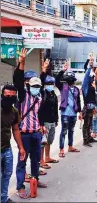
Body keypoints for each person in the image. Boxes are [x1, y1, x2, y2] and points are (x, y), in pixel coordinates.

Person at [13, 49, 48, 199]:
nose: (35, 88)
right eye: (32, 84)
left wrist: (42, 125)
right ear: (27, 84)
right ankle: (20, 186)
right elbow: (17, 79)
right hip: (24, 134)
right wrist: (22, 62)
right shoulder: (22, 95)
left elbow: (39, 114)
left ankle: (35, 179)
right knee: (22, 160)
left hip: (36, 134)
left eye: (37, 86)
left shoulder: (39, 97)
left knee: (35, 159)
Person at [1, 84, 26, 203]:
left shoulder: (14, 111)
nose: (9, 98)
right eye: (7, 96)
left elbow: (15, 129)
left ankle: (3, 198)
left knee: (7, 175)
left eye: (12, 96)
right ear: (2, 95)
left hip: (6, 149)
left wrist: (21, 147)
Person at [55, 62, 81, 157]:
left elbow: (78, 101)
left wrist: (80, 112)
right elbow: (57, 80)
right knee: (64, 131)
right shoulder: (63, 87)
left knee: (71, 130)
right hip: (65, 113)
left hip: (73, 113)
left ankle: (70, 146)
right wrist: (62, 71)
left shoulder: (77, 90)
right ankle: (61, 149)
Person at [38, 74, 59, 170]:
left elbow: (55, 108)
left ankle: (47, 157)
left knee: (49, 141)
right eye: (48, 83)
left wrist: (56, 119)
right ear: (45, 84)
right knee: (43, 142)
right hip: (45, 121)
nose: (50, 85)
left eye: (52, 83)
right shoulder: (43, 93)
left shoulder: (53, 94)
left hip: (52, 121)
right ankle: (41, 160)